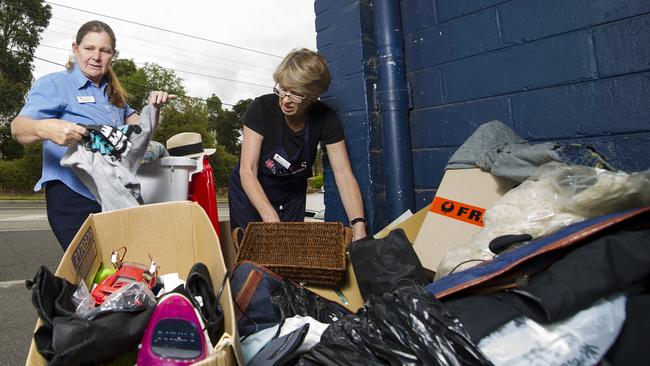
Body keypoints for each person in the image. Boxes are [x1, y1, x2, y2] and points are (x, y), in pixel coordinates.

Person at [10, 20, 175, 251]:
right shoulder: (55, 84)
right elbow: (18, 128)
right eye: (89, 48)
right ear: (75, 49)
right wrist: (48, 128)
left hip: (116, 192)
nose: (96, 56)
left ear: (112, 55)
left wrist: (154, 108)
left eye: (104, 50)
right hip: (73, 195)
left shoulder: (114, 94)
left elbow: (140, 134)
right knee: (91, 272)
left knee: (131, 265)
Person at [228, 48, 367, 241]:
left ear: (312, 96)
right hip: (252, 188)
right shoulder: (261, 109)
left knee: (289, 254)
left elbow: (343, 174)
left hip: (292, 193)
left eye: (295, 94)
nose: (285, 99)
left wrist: (359, 225)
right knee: (254, 253)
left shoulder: (326, 118)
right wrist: (270, 218)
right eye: (283, 88)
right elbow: (247, 171)